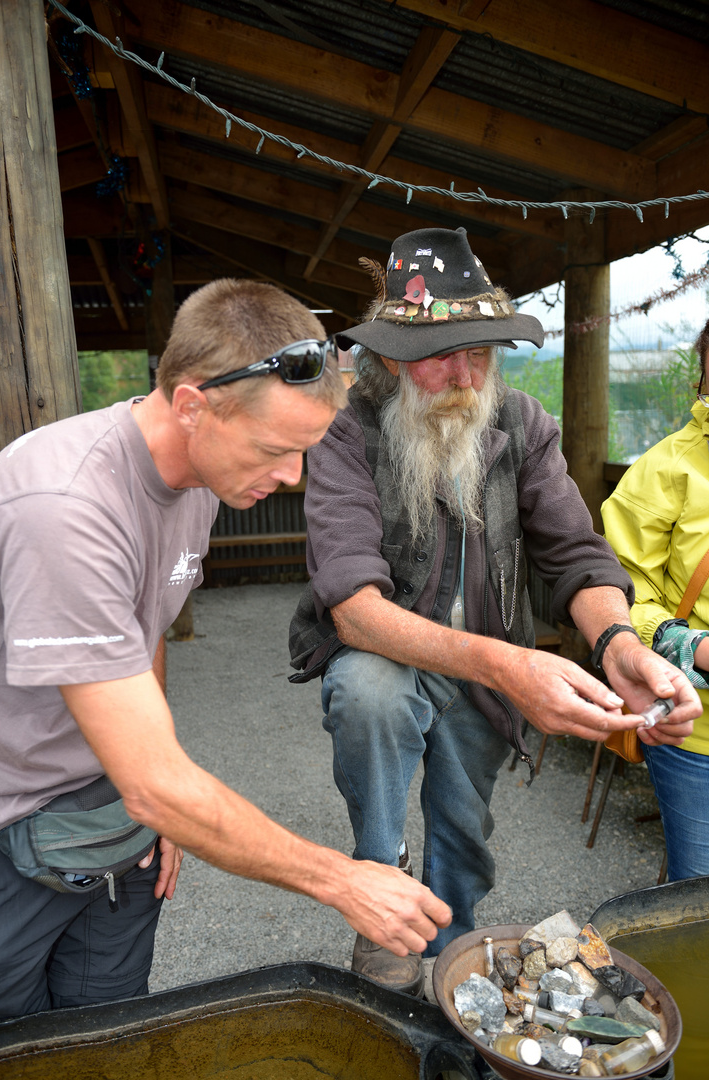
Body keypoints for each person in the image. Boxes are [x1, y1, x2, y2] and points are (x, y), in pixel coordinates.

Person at [0, 277, 451, 1023]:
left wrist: (156, 804)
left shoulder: (202, 478)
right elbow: (153, 778)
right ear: (193, 405)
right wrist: (342, 878)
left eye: (304, 451)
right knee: (15, 1045)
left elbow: (145, 636)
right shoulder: (64, 509)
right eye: (276, 449)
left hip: (112, 812)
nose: (292, 479)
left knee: (108, 1028)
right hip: (5, 825)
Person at [288, 227, 700, 996]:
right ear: (389, 356)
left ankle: (449, 963)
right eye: (444, 353)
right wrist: (511, 664)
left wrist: (616, 642)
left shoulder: (523, 425)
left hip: (484, 672)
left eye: (481, 351)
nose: (465, 374)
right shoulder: (348, 434)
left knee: (464, 835)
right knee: (367, 689)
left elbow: (576, 553)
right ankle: (379, 883)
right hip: (405, 653)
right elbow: (351, 608)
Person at [602, 318, 709, 882]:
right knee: (695, 903)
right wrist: (696, 647)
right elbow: (618, 597)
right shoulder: (666, 469)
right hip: (696, 730)